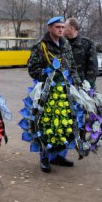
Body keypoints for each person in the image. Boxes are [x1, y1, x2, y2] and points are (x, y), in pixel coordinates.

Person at [28, 16, 81, 173]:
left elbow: (71, 66)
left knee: (64, 123)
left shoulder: (65, 44)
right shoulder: (40, 46)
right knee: (46, 123)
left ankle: (59, 155)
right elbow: (32, 69)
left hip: (65, 90)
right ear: (49, 28)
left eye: (62, 27)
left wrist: (78, 83)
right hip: (47, 91)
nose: (61, 30)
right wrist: (48, 76)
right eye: (57, 27)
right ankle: (44, 157)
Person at [64, 18, 98, 87]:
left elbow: (92, 68)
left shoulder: (88, 44)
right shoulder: (62, 43)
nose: (62, 29)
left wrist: (88, 86)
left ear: (71, 28)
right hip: (65, 85)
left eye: (65, 27)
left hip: (82, 85)